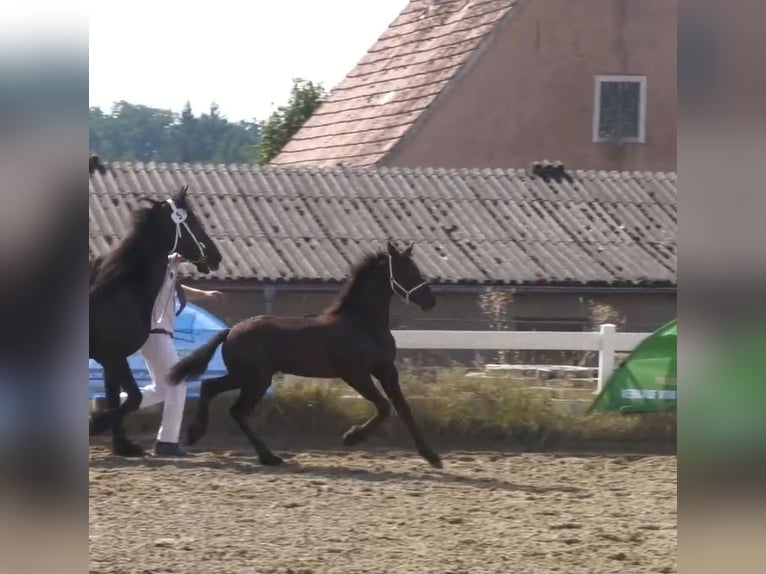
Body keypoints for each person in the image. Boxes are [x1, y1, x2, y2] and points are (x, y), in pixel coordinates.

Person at [137, 253, 223, 456]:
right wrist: (173, 261)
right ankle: (167, 442)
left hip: (155, 337)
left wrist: (205, 295)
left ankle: (111, 408)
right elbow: (170, 274)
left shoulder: (164, 280)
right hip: (156, 336)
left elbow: (178, 289)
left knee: (161, 389)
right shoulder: (157, 274)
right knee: (178, 384)